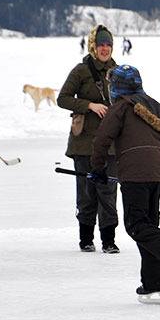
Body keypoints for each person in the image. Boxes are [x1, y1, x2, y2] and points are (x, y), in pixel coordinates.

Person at [89, 65, 160, 301]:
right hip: (155, 175)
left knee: (136, 226)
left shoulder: (121, 106)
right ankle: (155, 286)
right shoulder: (155, 107)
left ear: (117, 87)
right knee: (149, 229)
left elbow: (103, 138)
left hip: (134, 175)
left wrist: (97, 168)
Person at [57, 25, 119, 253]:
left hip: (111, 145)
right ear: (93, 46)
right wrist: (89, 105)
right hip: (83, 143)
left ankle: (109, 240)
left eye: (108, 44)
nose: (105, 49)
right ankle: (86, 238)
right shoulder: (81, 70)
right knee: (86, 191)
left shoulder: (118, 71)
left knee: (109, 191)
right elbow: (62, 98)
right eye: (101, 44)